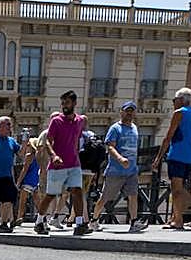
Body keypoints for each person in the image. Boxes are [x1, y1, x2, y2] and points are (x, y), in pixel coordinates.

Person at [34, 93, 88, 235]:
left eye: (67, 102)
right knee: (51, 195)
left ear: (74, 103)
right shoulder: (56, 121)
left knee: (77, 191)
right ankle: (39, 221)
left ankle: (79, 224)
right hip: (57, 166)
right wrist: (53, 155)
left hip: (74, 164)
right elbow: (47, 141)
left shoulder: (79, 121)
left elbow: (77, 140)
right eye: (63, 103)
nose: (64, 105)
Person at [151, 86, 191, 230]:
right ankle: (175, 216)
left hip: (177, 155)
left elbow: (168, 136)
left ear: (180, 100)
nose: (174, 103)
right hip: (190, 158)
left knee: (176, 189)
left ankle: (178, 220)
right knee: (181, 187)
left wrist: (158, 157)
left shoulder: (179, 113)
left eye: (174, 100)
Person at [94, 101, 143, 231]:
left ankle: (134, 222)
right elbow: (110, 146)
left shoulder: (135, 128)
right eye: (127, 110)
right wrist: (120, 158)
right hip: (116, 170)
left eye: (132, 110)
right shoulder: (115, 128)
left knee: (133, 195)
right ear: (121, 112)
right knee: (105, 197)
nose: (129, 113)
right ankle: (94, 220)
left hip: (132, 170)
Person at [78, 131, 107, 228]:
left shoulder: (78, 135)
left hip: (79, 169)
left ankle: (85, 220)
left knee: (81, 195)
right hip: (92, 170)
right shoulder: (92, 134)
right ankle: (73, 219)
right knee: (83, 194)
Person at [14, 133, 42, 226]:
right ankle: (42, 218)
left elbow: (24, 170)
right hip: (36, 180)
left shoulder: (29, 156)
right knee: (38, 202)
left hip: (28, 181)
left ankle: (19, 217)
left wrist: (18, 182)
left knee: (22, 201)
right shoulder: (39, 156)